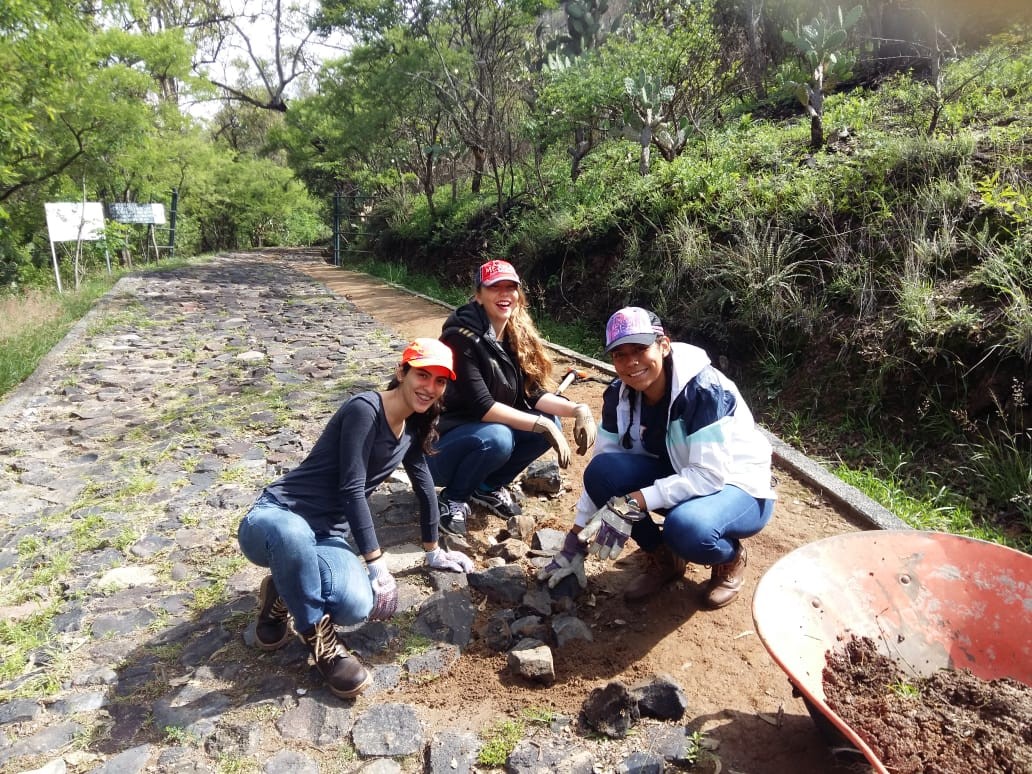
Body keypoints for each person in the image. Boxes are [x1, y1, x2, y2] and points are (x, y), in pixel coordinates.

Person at [237, 338, 474, 699]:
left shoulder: (412, 427)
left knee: (355, 605)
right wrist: (376, 563)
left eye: (439, 381)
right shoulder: (365, 409)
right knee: (293, 534)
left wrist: (433, 551)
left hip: (325, 537)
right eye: (423, 375)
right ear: (402, 371)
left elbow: (425, 486)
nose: (430, 387)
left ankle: (283, 593)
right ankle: (322, 645)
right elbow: (351, 489)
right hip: (277, 517)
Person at [539, 307, 776, 608]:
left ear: (663, 345)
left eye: (639, 349)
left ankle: (730, 557)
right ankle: (663, 557)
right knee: (602, 472)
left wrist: (634, 500)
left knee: (688, 528)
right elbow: (603, 464)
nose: (631, 363)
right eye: (619, 354)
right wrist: (574, 542)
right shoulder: (620, 395)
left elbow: (708, 475)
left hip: (738, 485)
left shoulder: (703, 391)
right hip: (681, 471)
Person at [429, 259, 597, 536]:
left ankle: (487, 488)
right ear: (478, 295)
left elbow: (533, 394)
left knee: (548, 417)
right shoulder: (461, 338)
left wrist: (578, 409)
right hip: (441, 449)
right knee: (501, 436)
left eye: (511, 287)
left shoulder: (513, 336)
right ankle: (453, 497)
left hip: (478, 436)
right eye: (495, 287)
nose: (504, 294)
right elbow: (483, 406)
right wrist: (542, 426)